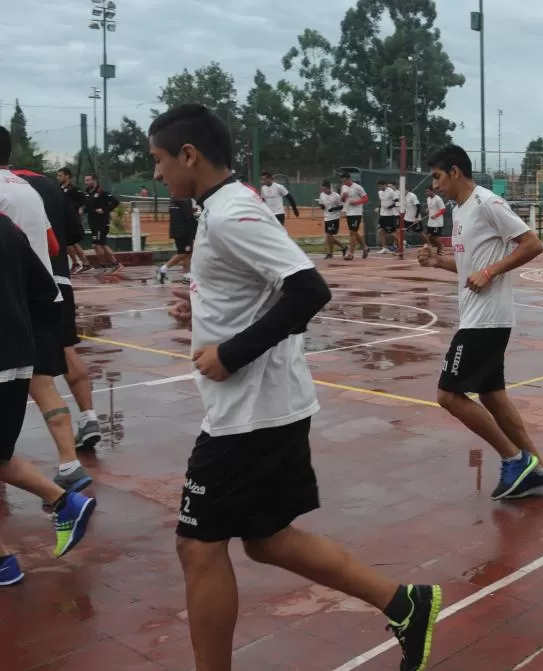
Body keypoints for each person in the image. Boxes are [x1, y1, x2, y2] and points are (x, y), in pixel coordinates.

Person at [149, 103, 441, 671]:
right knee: (266, 539)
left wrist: (230, 352)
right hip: (262, 405)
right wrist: (203, 310)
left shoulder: (233, 211)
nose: (157, 174)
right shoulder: (219, 210)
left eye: (159, 161)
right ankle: (405, 603)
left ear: (189, 155)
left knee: (198, 546)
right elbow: (258, 293)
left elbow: (309, 291)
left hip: (250, 412)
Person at [417, 144, 543, 500]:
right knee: (493, 397)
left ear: (455, 171)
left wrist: (492, 271)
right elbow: (469, 268)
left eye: (437, 177)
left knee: (448, 395)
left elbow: (532, 244)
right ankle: (537, 469)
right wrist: (437, 263)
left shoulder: (487, 203)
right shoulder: (461, 211)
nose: (434, 186)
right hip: (478, 316)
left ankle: (514, 459)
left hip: (487, 319)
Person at [0, 212, 97, 579]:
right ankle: (5, 561)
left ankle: (62, 501)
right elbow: (45, 293)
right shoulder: (7, 225)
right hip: (19, 357)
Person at [0, 136, 94, 493]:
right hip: (46, 293)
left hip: (13, 297)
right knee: (42, 379)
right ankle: (70, 462)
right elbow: (54, 245)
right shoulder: (28, 187)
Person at [10, 161, 102, 452]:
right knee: (65, 347)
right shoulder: (48, 185)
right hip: (58, 279)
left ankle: (63, 456)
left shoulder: (9, 188)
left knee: (25, 368)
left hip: (20, 283)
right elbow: (74, 234)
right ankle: (88, 418)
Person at [82, 173, 123, 274]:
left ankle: (113, 264)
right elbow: (88, 207)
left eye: (88, 180)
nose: (86, 182)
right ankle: (107, 265)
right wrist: (82, 210)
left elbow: (115, 202)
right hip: (93, 223)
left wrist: (104, 209)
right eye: (85, 180)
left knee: (99, 244)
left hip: (102, 222)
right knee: (99, 244)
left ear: (94, 180)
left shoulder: (102, 192)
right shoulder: (87, 193)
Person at [55, 167, 91, 274]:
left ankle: (80, 263)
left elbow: (84, 202)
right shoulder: (58, 188)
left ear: (67, 176)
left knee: (70, 242)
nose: (58, 178)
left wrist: (80, 210)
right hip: (62, 219)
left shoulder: (74, 189)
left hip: (72, 220)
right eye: (58, 175)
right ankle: (82, 263)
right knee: (70, 243)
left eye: (60, 175)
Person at [158, 198, 197, 284]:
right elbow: (188, 216)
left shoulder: (174, 200)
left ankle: (187, 274)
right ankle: (164, 268)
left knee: (188, 253)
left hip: (177, 231)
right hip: (184, 232)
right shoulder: (185, 200)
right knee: (185, 253)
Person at [340, 172, 369, 259]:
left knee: (352, 232)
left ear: (349, 179)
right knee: (354, 232)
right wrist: (343, 197)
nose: (344, 183)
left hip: (356, 212)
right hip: (348, 212)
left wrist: (356, 202)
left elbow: (366, 198)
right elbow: (342, 200)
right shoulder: (343, 187)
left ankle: (351, 254)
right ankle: (365, 247)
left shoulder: (357, 187)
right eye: (342, 181)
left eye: (345, 181)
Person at [318, 181, 348, 260]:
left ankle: (330, 253)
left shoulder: (336, 196)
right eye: (322, 189)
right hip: (326, 217)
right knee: (329, 237)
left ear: (328, 188)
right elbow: (321, 204)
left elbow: (341, 206)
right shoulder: (321, 195)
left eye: (324, 189)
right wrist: (321, 206)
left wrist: (334, 208)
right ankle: (343, 247)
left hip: (334, 218)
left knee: (328, 235)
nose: (323, 190)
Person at [376, 179, 400, 254]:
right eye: (379, 186)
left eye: (381, 186)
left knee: (393, 233)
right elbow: (382, 202)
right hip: (382, 215)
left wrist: (390, 206)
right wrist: (379, 208)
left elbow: (398, 202)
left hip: (390, 215)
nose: (380, 188)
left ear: (385, 185)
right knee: (380, 231)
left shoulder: (391, 192)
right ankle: (385, 248)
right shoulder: (379, 192)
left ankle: (401, 246)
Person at [424, 186, 445, 255]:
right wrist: (428, 209)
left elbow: (443, 210)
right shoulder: (428, 199)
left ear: (432, 191)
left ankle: (440, 249)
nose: (426, 193)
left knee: (435, 237)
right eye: (426, 191)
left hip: (437, 222)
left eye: (428, 191)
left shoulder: (438, 199)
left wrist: (435, 215)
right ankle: (433, 249)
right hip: (430, 222)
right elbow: (430, 208)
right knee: (429, 236)